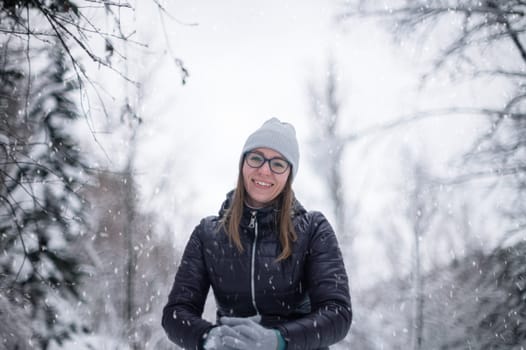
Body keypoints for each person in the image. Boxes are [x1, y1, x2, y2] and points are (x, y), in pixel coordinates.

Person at [162, 118, 352, 350]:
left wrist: (279, 340)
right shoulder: (208, 234)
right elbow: (175, 313)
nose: (264, 170)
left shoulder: (313, 230)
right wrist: (208, 338)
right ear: (243, 164)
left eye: (278, 164)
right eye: (256, 158)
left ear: (289, 174)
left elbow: (337, 314)